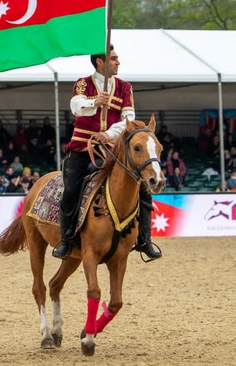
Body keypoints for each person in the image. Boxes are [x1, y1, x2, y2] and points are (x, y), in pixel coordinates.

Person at [53, 45, 161, 261]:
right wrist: (95, 102)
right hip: (81, 148)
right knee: (71, 190)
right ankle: (66, 240)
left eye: (117, 58)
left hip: (111, 150)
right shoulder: (83, 83)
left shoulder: (124, 87)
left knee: (142, 190)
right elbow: (76, 106)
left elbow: (128, 119)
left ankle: (145, 240)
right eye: (113, 59)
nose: (118, 62)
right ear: (100, 62)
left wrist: (109, 134)